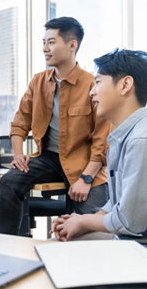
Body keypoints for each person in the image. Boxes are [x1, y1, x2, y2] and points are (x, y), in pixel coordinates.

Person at [0, 17, 111, 235]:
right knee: (9, 181)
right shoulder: (38, 81)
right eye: (43, 42)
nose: (44, 49)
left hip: (85, 163)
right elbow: (20, 123)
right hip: (48, 157)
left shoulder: (91, 84)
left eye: (51, 42)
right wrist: (18, 154)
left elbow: (102, 139)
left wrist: (86, 179)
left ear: (72, 45)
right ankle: (8, 245)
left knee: (94, 229)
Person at [52, 48, 147, 241]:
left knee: (58, 246)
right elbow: (120, 202)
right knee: (62, 239)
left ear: (125, 85)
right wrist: (83, 221)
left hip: (137, 243)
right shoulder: (123, 136)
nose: (91, 92)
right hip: (130, 235)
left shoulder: (140, 140)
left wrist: (83, 222)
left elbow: (130, 221)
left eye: (97, 82)